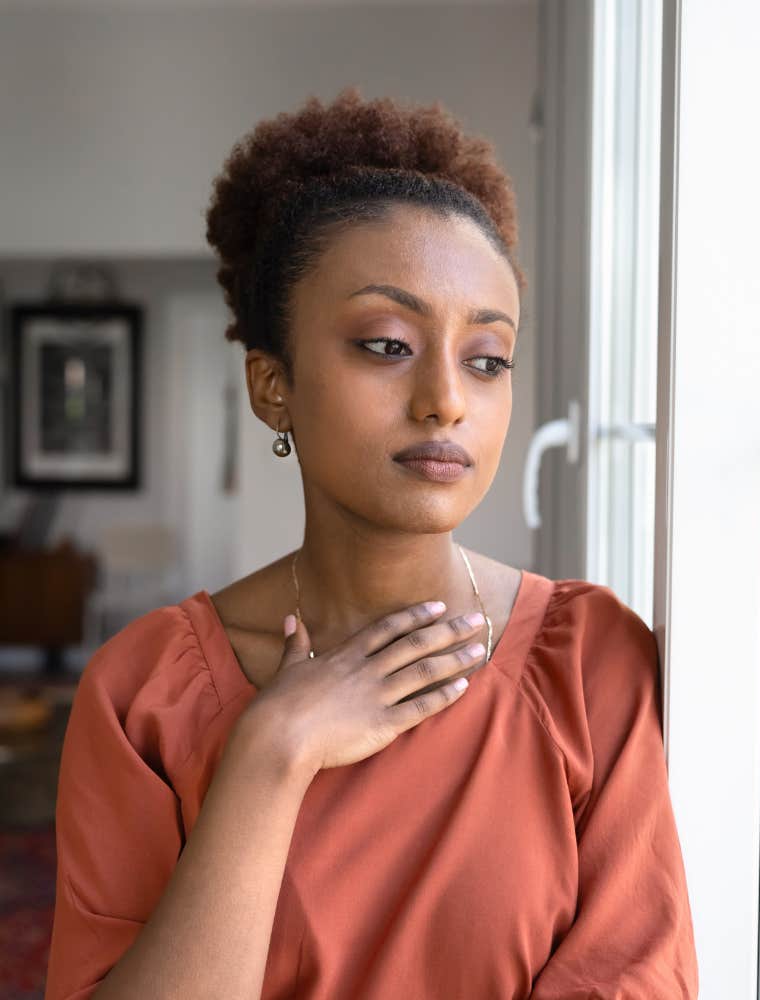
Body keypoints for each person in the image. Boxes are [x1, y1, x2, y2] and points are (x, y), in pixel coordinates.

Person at [44, 87, 698, 999]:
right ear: (273, 386)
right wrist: (273, 753)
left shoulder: (591, 668)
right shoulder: (143, 697)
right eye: (388, 344)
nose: (447, 399)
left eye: (487, 358)